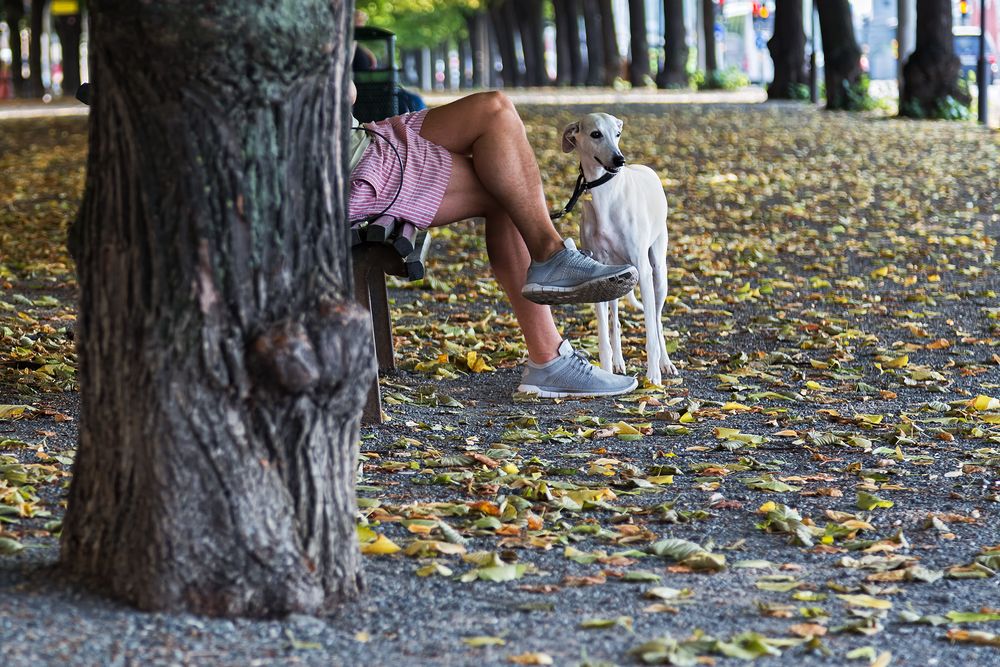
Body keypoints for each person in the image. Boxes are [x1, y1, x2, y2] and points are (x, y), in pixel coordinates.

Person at [348, 82, 640, 398]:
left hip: (362, 139)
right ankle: (550, 350)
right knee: (505, 185)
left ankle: (552, 261)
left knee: (495, 109)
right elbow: (345, 91)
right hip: (343, 167)